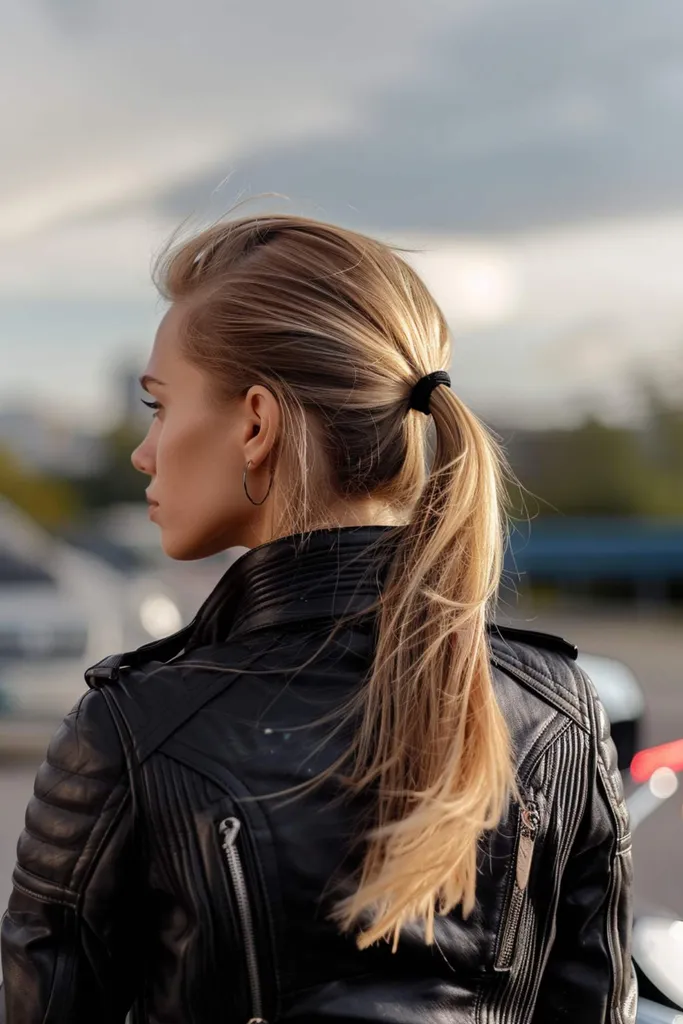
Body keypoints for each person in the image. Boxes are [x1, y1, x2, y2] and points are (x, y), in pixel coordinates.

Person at [0, 214, 635, 1023]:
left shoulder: (134, 732)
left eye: (158, 407)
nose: (144, 452)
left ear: (256, 423)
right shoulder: (559, 711)